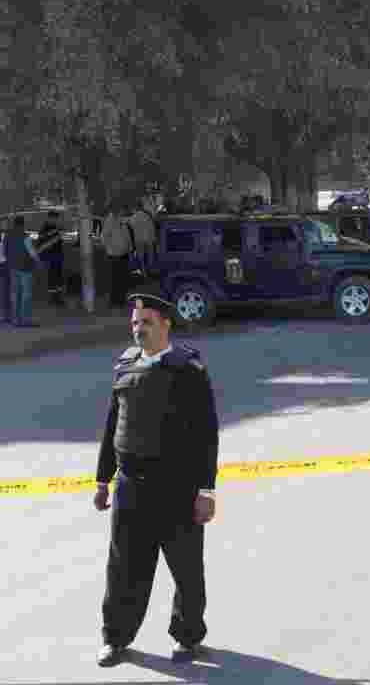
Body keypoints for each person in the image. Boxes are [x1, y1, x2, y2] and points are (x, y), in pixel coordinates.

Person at [93, 294, 219, 667]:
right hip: (131, 486)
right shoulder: (124, 366)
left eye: (145, 322)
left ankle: (187, 636)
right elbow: (112, 425)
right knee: (123, 568)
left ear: (166, 324)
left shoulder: (188, 370)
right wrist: (103, 480)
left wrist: (206, 490)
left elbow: (206, 434)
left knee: (186, 568)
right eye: (134, 322)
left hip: (177, 487)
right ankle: (115, 638)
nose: (138, 329)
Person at [4, 215, 41, 327]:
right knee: (26, 294)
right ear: (22, 225)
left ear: (14, 224)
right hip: (25, 268)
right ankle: (25, 320)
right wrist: (38, 262)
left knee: (14, 294)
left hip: (12, 267)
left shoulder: (7, 236)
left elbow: (5, 251)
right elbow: (32, 253)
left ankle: (15, 320)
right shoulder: (25, 237)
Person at [102, 211, 133, 308]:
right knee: (114, 279)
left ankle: (121, 300)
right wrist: (110, 248)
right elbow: (104, 237)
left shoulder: (122, 220)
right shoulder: (109, 221)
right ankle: (114, 301)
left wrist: (129, 248)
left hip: (124, 254)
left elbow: (127, 235)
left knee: (122, 279)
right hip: (114, 255)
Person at [37, 210, 66, 306]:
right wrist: (57, 236)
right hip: (50, 256)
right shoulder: (45, 228)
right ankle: (54, 298)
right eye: (55, 218)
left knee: (58, 276)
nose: (57, 220)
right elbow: (43, 243)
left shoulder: (55, 227)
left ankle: (57, 297)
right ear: (50, 218)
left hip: (57, 255)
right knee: (53, 277)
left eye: (57, 219)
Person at [0, 216, 9, 323]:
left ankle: (5, 314)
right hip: (2, 264)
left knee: (6, 290)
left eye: (6, 223)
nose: (5, 225)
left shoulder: (9, 235)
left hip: (6, 264)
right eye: (3, 223)